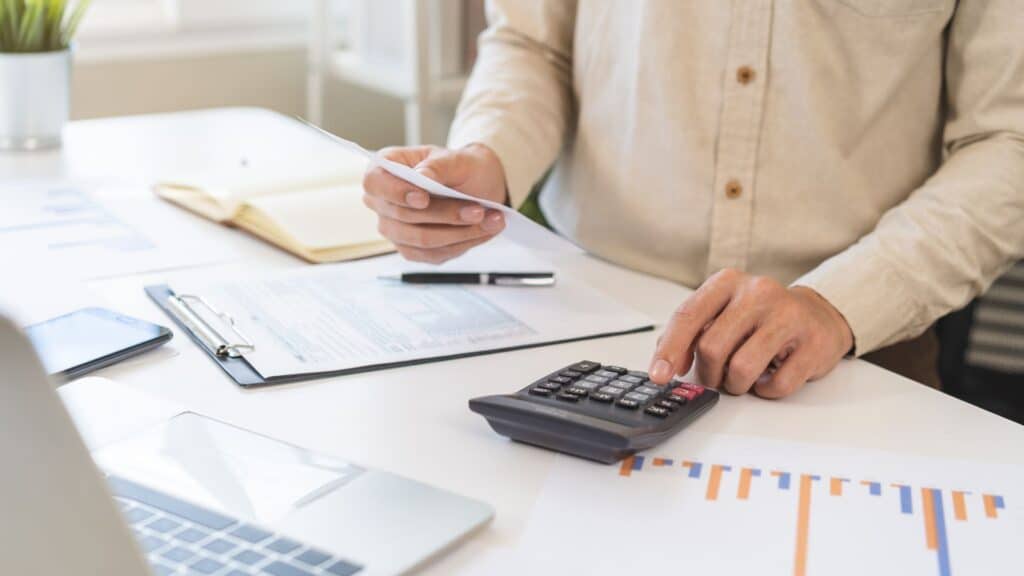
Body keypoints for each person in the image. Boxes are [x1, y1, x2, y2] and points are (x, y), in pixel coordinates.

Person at [362, 1, 1024, 398]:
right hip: (580, 328)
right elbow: (535, 42)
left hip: (848, 361)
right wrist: (489, 157)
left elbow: (1008, 138)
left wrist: (834, 305)